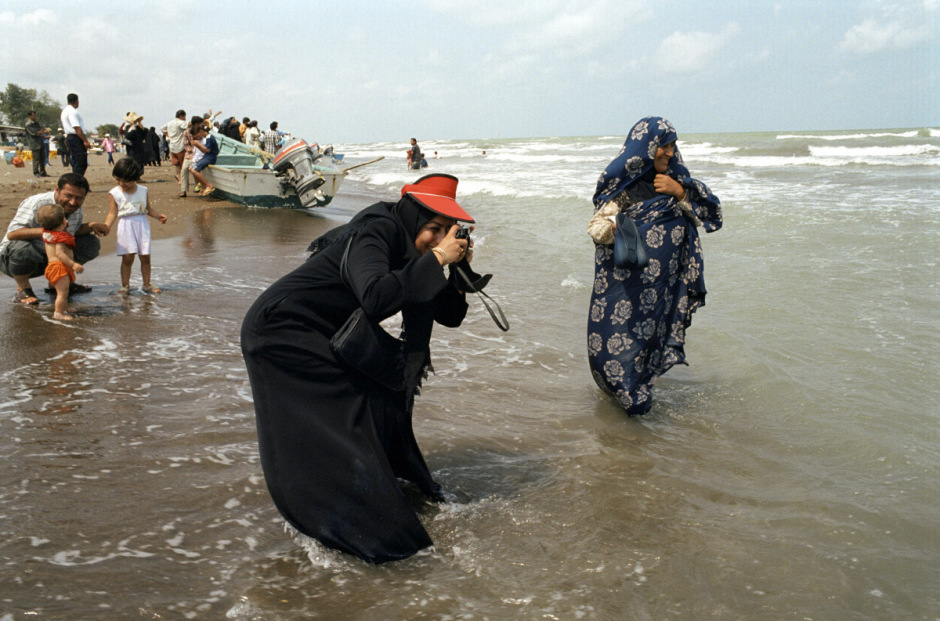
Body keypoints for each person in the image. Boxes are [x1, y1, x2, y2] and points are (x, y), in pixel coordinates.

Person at [241, 173, 476, 564]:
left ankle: (392, 493)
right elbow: (376, 298)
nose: (437, 240)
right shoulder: (377, 231)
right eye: (432, 229)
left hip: (315, 331)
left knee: (375, 403)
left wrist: (455, 269)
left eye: (446, 232)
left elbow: (450, 315)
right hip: (279, 330)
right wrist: (436, 259)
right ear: (412, 217)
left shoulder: (414, 249)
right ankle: (362, 526)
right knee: (340, 424)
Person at [586, 116, 722, 415]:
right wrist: (616, 226)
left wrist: (679, 192)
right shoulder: (622, 188)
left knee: (648, 344)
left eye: (674, 146)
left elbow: (711, 215)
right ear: (646, 147)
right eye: (664, 146)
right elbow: (596, 229)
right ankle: (625, 412)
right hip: (623, 288)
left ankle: (637, 399)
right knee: (612, 342)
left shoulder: (678, 184)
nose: (670, 153)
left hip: (660, 292)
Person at [1, 173, 107, 304]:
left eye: (79, 198)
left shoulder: (74, 209)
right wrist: (49, 232)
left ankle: (58, 281)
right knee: (23, 249)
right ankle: (24, 289)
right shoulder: (38, 203)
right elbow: (12, 234)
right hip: (14, 260)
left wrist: (91, 225)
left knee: (91, 243)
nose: (73, 202)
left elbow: (72, 231)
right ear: (57, 189)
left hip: (50, 258)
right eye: (68, 195)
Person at [103, 158, 167, 294]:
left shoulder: (143, 190)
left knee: (145, 256)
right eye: (118, 179)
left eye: (125, 180)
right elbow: (112, 213)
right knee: (127, 257)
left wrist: (158, 216)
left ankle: (147, 284)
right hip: (125, 224)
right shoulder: (115, 193)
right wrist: (106, 226)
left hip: (142, 224)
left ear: (135, 178)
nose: (121, 183)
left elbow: (148, 208)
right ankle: (125, 285)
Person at [37, 203, 85, 320]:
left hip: (52, 267)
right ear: (63, 221)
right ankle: (59, 313)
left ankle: (64, 308)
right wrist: (73, 264)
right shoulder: (60, 239)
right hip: (59, 267)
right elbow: (60, 254)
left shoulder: (48, 233)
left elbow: (55, 227)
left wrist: (62, 224)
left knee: (63, 291)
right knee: (62, 293)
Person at [60, 93, 90, 176]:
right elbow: (77, 128)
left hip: (71, 137)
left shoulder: (65, 111)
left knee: (76, 161)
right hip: (76, 138)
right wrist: (85, 141)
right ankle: (77, 182)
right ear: (77, 101)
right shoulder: (72, 112)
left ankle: (77, 182)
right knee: (81, 161)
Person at [188, 123, 218, 196]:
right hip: (207, 156)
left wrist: (198, 144)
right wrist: (197, 145)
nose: (197, 136)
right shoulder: (208, 137)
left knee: (194, 170)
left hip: (210, 157)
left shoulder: (209, 137)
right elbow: (204, 151)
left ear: (200, 131)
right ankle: (203, 185)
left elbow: (207, 150)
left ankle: (208, 185)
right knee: (190, 168)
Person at [24, 111, 49, 178]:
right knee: (36, 159)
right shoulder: (28, 124)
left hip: (40, 142)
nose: (35, 117)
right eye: (34, 116)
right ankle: (36, 172)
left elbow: (40, 131)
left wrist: (43, 133)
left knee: (42, 158)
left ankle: (43, 172)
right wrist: (43, 132)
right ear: (29, 116)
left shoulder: (36, 123)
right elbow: (35, 133)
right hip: (34, 144)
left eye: (35, 115)